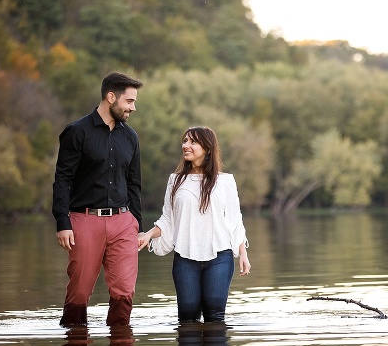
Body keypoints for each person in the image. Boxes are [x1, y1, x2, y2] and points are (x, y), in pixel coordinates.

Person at [53, 72, 144, 327]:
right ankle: (75, 341)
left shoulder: (131, 137)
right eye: (129, 101)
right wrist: (62, 222)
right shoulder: (77, 132)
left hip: (123, 222)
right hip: (84, 219)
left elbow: (134, 184)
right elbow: (63, 179)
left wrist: (137, 225)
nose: (133, 108)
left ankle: (121, 344)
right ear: (111, 97)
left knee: (124, 292)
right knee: (79, 292)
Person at [137, 126, 250, 322]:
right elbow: (168, 219)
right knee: (187, 319)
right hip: (185, 258)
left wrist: (243, 254)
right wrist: (147, 234)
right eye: (185, 141)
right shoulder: (175, 181)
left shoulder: (225, 182)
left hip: (220, 257)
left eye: (192, 142)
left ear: (207, 148)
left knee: (215, 317)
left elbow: (234, 220)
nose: (186, 146)